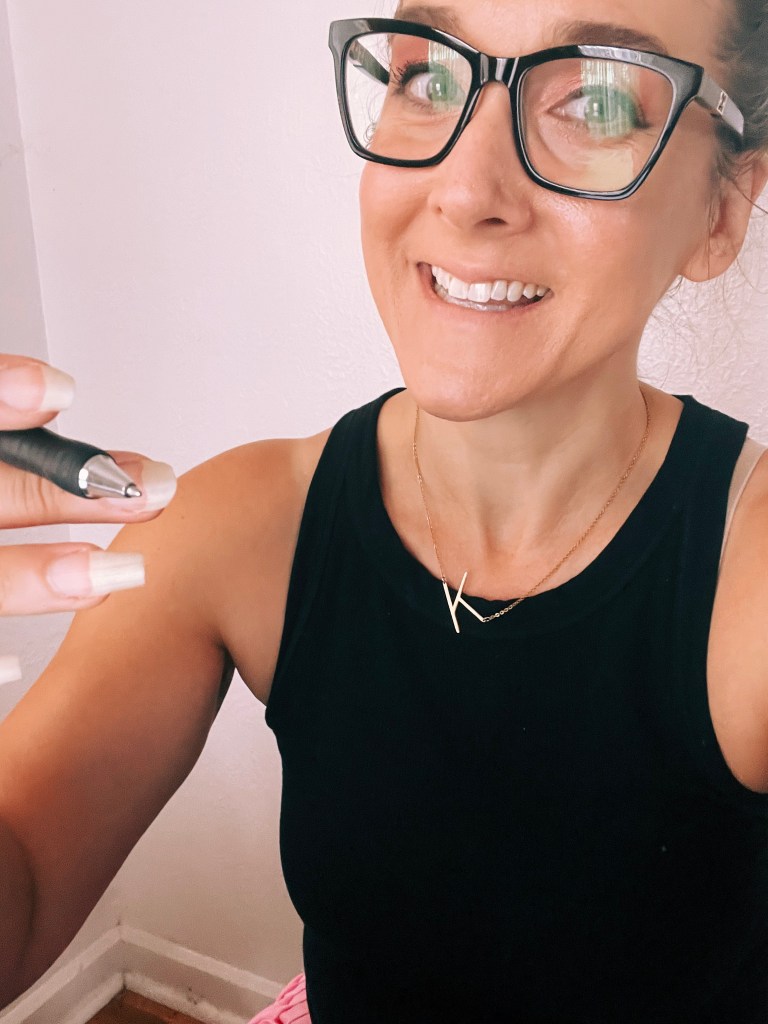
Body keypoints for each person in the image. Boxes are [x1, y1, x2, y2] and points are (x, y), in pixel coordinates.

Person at [1, 0, 768, 1020]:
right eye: (429, 75)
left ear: (720, 213)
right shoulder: (239, 529)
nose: (465, 188)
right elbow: (25, 885)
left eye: (593, 97)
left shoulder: (746, 577)